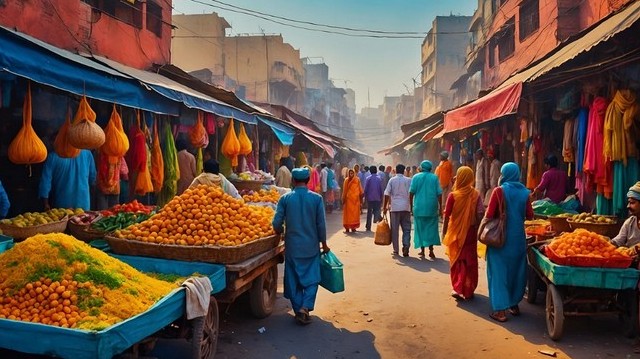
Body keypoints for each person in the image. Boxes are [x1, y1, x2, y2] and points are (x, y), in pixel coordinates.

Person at [272, 168, 330, 325]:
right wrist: (324, 244)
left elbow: (276, 223)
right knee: (312, 279)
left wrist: (279, 232)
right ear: (308, 180)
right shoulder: (317, 199)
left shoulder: (285, 199)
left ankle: (299, 308)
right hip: (311, 247)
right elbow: (321, 225)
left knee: (292, 279)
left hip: (293, 247)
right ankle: (305, 306)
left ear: (293, 181)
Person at [484, 162, 534, 323]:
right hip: (518, 238)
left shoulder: (499, 191)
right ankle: (514, 304)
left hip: (501, 239)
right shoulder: (525, 193)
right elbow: (530, 215)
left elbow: (490, 213)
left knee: (499, 273)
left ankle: (500, 310)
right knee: (516, 271)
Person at [442, 166, 483, 301]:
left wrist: (444, 233)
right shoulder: (476, 195)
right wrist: (477, 228)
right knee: (470, 260)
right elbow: (480, 214)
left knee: (457, 259)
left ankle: (457, 287)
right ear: (471, 178)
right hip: (471, 232)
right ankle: (468, 289)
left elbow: (446, 216)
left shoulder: (453, 196)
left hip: (455, 232)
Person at [409, 160, 442, 259]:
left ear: (421, 167)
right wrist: (441, 207)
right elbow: (439, 194)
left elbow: (411, 193)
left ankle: (422, 250)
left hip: (419, 207)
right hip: (432, 207)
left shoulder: (416, 177)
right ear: (430, 168)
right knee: (432, 228)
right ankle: (431, 250)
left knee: (420, 228)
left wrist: (411, 206)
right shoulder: (434, 177)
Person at [383, 164, 412, 257]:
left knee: (394, 230)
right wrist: (411, 205)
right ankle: (406, 245)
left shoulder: (392, 180)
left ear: (395, 171)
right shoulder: (408, 180)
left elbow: (387, 194)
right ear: (403, 170)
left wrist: (384, 207)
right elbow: (411, 193)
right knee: (406, 228)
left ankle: (396, 250)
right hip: (406, 207)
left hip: (395, 208)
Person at [610, 181, 640, 248]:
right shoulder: (630, 222)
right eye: (628, 203)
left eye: (632, 202)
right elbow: (618, 240)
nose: (628, 206)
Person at [341, 169, 363, 233]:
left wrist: (361, 197)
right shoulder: (346, 180)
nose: (351, 175)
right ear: (348, 174)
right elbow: (344, 190)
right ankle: (347, 228)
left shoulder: (357, 180)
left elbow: (360, 189)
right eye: (350, 173)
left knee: (355, 215)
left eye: (352, 173)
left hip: (356, 200)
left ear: (354, 174)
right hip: (348, 200)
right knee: (348, 215)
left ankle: (353, 227)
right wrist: (343, 198)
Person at [364, 166, 384, 232]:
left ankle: (368, 226)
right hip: (377, 198)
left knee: (369, 212)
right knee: (377, 211)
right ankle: (380, 224)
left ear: (370, 171)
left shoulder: (368, 178)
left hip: (370, 198)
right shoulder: (379, 178)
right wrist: (382, 197)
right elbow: (381, 189)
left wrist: (365, 197)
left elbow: (366, 189)